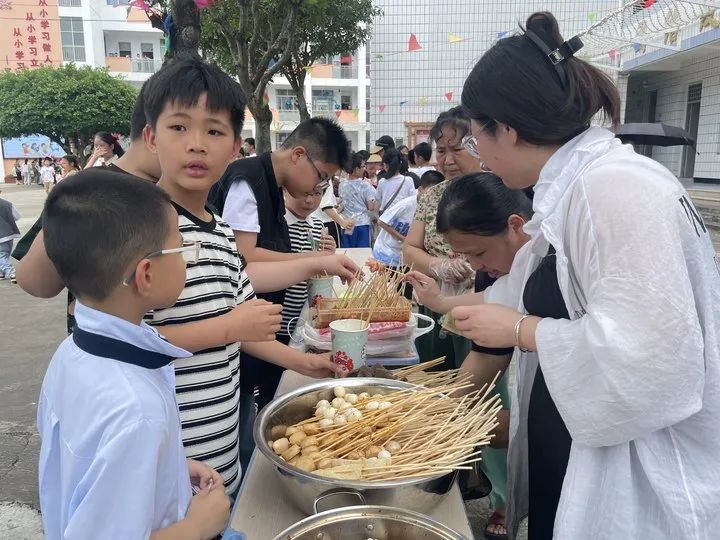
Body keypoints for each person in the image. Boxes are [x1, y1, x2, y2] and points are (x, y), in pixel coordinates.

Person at [451, 11, 720, 540]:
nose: (478, 158)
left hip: (636, 472)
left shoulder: (613, 188)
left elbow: (652, 362)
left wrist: (521, 332)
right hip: (576, 446)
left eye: (476, 141)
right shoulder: (570, 191)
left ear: (506, 128)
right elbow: (517, 292)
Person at [142, 56, 346, 491]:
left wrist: (306, 363)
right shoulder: (136, 228)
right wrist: (228, 327)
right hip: (163, 460)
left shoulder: (219, 232)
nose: (197, 144)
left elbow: (248, 329)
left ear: (235, 146)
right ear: (150, 137)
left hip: (220, 450)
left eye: (214, 131)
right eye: (179, 127)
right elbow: (128, 342)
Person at [38, 169, 230, 539]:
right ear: (146, 274)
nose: (186, 261)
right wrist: (197, 527)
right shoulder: (136, 411)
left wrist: (167, 467)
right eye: (181, 248)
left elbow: (85, 462)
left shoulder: (71, 353)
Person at [406, 173, 533, 540]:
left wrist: (513, 426)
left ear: (516, 226)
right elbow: (486, 355)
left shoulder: (559, 262)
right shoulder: (506, 270)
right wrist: (439, 411)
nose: (475, 266)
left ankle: (505, 499)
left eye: (478, 253)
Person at [208, 116, 356, 412]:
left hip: (255, 329)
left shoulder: (272, 187)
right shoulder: (248, 180)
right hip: (235, 331)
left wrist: (315, 259)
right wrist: (313, 261)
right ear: (299, 155)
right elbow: (245, 258)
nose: (319, 187)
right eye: (321, 177)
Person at [13, 81, 162, 335]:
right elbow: (35, 281)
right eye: (181, 128)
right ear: (151, 134)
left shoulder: (197, 197)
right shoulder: (87, 189)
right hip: (104, 354)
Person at [402, 107, 483, 371]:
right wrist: (440, 266)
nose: (448, 160)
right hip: (432, 302)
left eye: (457, 150)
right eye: (441, 151)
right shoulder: (431, 196)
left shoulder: (498, 193)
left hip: (477, 307)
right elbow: (409, 249)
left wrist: (477, 270)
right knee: (432, 378)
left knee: (477, 389)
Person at [280, 188, 336, 342]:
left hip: (308, 315)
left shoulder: (319, 226)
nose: (309, 200)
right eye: (304, 192)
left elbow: (321, 270)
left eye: (317, 193)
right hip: (281, 317)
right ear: (285, 190)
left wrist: (329, 254)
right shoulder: (277, 225)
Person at [373, 170, 443, 269]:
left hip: (404, 256)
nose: (431, 198)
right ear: (420, 190)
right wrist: (403, 239)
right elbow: (382, 221)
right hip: (387, 252)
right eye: (428, 193)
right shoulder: (406, 204)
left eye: (436, 195)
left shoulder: (434, 209)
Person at [338, 152, 377, 248]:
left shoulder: (342, 185)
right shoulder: (365, 185)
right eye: (363, 166)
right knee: (362, 253)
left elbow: (342, 203)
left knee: (348, 253)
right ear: (356, 169)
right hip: (362, 224)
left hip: (347, 224)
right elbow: (370, 207)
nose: (364, 168)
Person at [376, 148, 416, 215]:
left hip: (386, 219)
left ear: (385, 165)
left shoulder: (382, 182)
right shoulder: (408, 180)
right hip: (403, 220)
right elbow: (413, 202)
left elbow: (377, 201)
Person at [0, 186, 21, 281]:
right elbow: (16, 217)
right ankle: (1, 272)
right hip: (9, 234)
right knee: (4, 254)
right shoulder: (7, 204)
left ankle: (11, 272)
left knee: (1, 255)